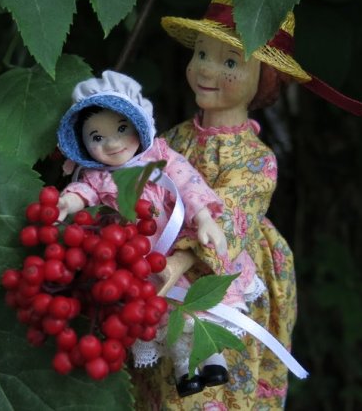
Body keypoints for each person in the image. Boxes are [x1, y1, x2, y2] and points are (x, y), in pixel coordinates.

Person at [132, 0, 362, 409]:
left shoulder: (256, 160)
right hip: (161, 262)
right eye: (202, 55)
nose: (207, 70)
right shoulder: (173, 139)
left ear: (264, 78)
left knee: (214, 371)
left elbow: (231, 213)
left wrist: (182, 258)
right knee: (158, 376)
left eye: (229, 62)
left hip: (224, 268)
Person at [56, 70, 264, 397]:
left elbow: (188, 181)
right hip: (137, 259)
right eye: (96, 138)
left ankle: (213, 358)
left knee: (201, 304)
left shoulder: (161, 156)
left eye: (121, 129)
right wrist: (66, 202)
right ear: (83, 145)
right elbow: (83, 192)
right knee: (168, 318)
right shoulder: (99, 177)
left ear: (139, 124)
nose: (112, 143)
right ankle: (184, 370)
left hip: (174, 242)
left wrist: (204, 217)